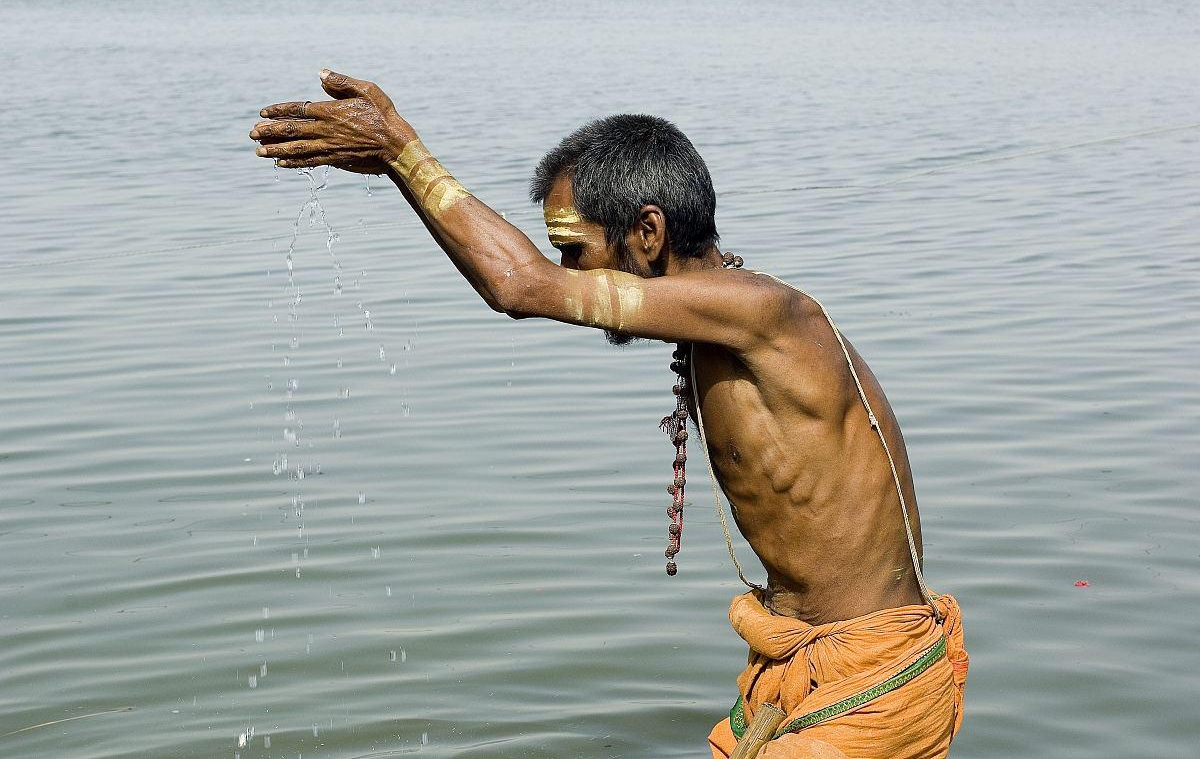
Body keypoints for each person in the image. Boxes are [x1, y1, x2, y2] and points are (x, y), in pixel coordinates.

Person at [250, 70, 968, 758]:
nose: (566, 269)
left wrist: (401, 153)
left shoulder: (765, 313)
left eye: (576, 250)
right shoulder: (720, 319)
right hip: (807, 666)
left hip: (872, 680)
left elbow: (519, 286)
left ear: (647, 232)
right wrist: (397, 168)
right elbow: (517, 284)